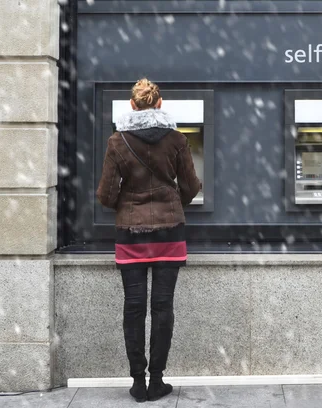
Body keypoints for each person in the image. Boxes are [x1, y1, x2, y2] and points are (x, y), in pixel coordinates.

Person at [96, 78, 201, 402]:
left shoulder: (117, 142)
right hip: (169, 232)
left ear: (131, 106)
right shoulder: (177, 140)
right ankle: (157, 380)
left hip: (131, 233)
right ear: (159, 104)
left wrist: (127, 204)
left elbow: (106, 194)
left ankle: (138, 383)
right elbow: (191, 186)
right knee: (162, 306)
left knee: (134, 306)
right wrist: (170, 202)